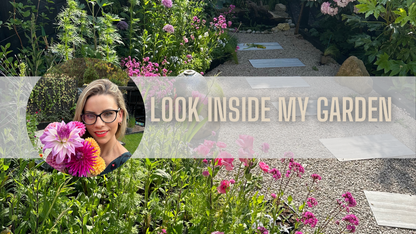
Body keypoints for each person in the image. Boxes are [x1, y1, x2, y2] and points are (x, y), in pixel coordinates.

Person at [73, 79, 131, 175]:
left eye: (108, 114)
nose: (99, 124)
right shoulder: (73, 154)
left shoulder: (127, 165)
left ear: (120, 115)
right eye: (90, 115)